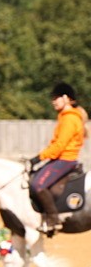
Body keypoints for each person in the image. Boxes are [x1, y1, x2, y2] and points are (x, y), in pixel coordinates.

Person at [29, 82, 87, 234]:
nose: (53, 101)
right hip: (59, 159)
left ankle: (53, 219)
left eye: (56, 98)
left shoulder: (69, 119)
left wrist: (38, 158)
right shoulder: (65, 117)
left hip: (65, 160)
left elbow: (59, 145)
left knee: (38, 185)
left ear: (66, 98)